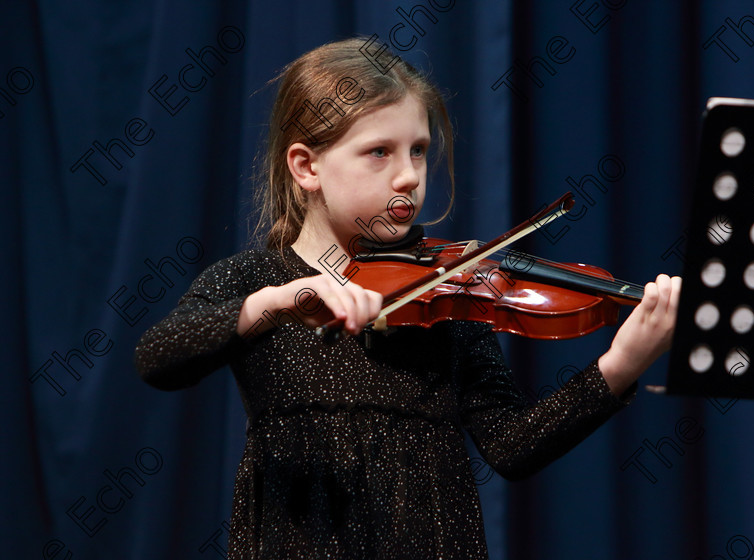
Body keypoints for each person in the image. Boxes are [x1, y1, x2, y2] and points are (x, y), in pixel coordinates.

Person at [134, 37, 680, 559]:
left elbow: (513, 446)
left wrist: (619, 366)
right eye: (379, 152)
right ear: (307, 166)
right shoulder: (255, 280)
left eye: (418, 151)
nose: (408, 176)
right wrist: (273, 303)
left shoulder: (445, 295)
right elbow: (158, 358)